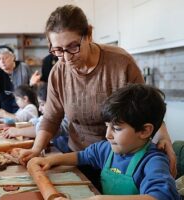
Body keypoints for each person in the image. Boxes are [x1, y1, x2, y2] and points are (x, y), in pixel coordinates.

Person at [18, 4, 177, 180]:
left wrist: (163, 137)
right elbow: (51, 118)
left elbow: (146, 108)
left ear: (89, 35)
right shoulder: (58, 71)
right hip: (78, 156)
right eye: (58, 50)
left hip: (120, 159)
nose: (66, 57)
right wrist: (35, 149)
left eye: (72, 47)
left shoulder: (121, 63)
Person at [27, 84, 180, 200]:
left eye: (117, 129)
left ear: (145, 131)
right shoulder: (107, 150)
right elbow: (82, 156)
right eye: (107, 126)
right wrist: (50, 160)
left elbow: (160, 196)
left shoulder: (153, 161)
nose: (108, 135)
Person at [2, 83, 70, 153]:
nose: (39, 109)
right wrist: (17, 129)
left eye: (42, 104)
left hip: (67, 155)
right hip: (58, 151)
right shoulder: (51, 115)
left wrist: (17, 131)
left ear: (56, 103)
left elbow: (46, 127)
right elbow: (37, 121)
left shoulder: (66, 117)